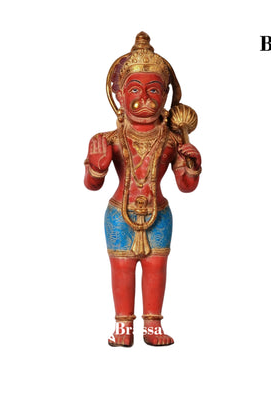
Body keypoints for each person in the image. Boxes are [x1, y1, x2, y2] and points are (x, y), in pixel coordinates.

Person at [84, 32, 202, 347]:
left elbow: (186, 186)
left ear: (165, 95)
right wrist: (96, 168)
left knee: (156, 268)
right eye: (135, 89)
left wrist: (192, 166)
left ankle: (153, 327)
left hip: (159, 214)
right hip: (119, 214)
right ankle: (123, 328)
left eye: (154, 90)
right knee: (121, 269)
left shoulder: (173, 140)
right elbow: (92, 185)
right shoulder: (108, 140)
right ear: (120, 96)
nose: (146, 98)